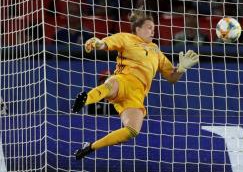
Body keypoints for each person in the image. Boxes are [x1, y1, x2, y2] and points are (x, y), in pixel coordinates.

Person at [71, 8, 199, 159]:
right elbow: (105, 44)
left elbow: (172, 78)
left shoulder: (156, 51)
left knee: (132, 131)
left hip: (136, 97)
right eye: (149, 27)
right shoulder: (126, 38)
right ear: (137, 29)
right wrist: (97, 42)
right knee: (110, 84)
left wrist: (182, 68)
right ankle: (85, 99)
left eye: (154, 28)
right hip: (123, 81)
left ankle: (90, 147)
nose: (153, 31)